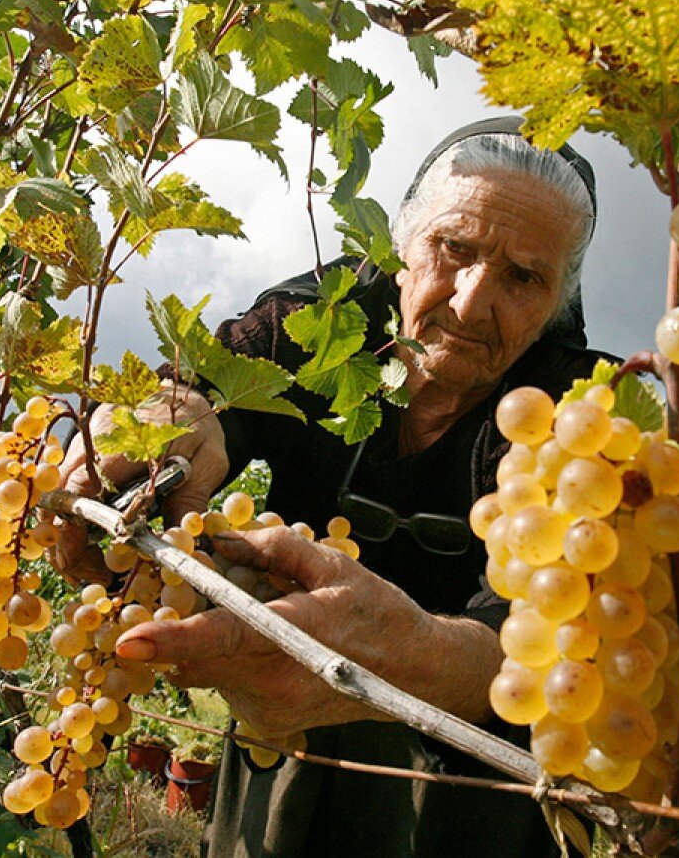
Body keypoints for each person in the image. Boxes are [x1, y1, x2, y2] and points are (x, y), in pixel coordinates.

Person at [54, 117, 612, 856]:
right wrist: (169, 421)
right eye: (455, 249)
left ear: (556, 305)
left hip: (476, 778)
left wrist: (417, 651)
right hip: (286, 733)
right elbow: (205, 382)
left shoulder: (574, 411)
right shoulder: (324, 319)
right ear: (403, 246)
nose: (474, 303)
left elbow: (545, 640)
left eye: (524, 277)